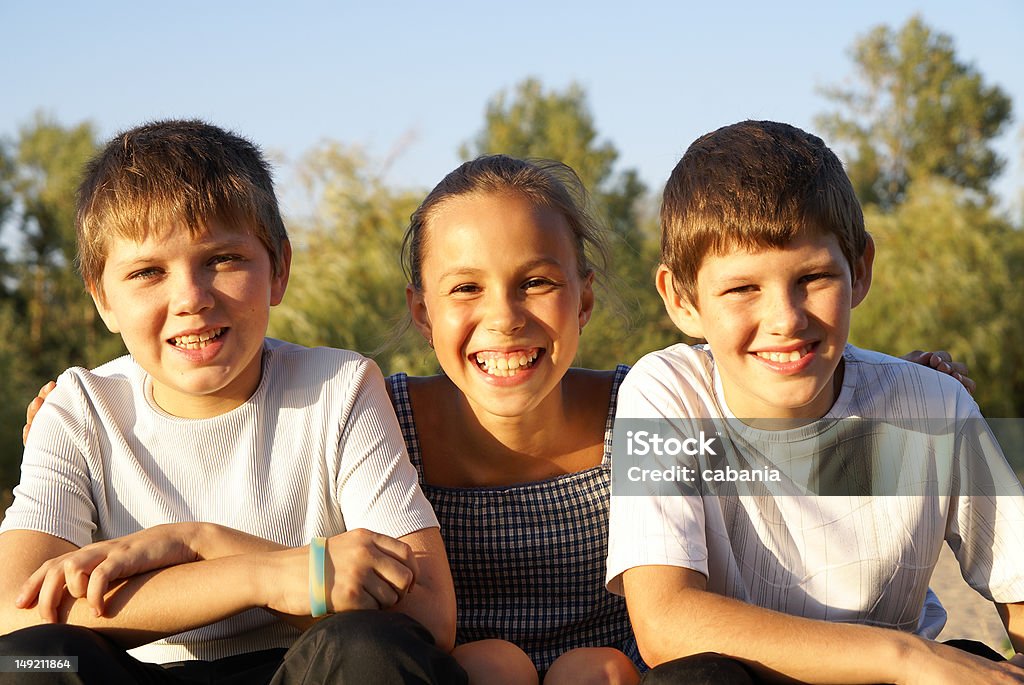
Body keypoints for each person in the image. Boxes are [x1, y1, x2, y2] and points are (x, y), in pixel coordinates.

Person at [16, 151, 971, 685]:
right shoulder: (380, 410)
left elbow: (789, 417)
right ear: (424, 312)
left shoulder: (657, 403)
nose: (506, 321)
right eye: (466, 289)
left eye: (539, 284)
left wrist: (907, 383)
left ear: (587, 297)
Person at [0, 120, 465, 684]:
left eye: (223, 259)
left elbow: (429, 615)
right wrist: (268, 577)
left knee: (373, 645)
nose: (191, 299)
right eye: (148, 272)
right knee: (30, 661)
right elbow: (15, 613)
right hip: (139, 669)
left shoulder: (340, 387)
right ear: (104, 300)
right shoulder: (79, 408)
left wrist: (198, 542)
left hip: (299, 670)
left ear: (279, 270)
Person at [605, 120, 1024, 684]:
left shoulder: (931, 403)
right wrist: (905, 655)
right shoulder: (668, 395)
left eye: (813, 278)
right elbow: (667, 624)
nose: (785, 320)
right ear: (682, 300)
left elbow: (1016, 584)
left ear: (860, 271)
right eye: (742, 288)